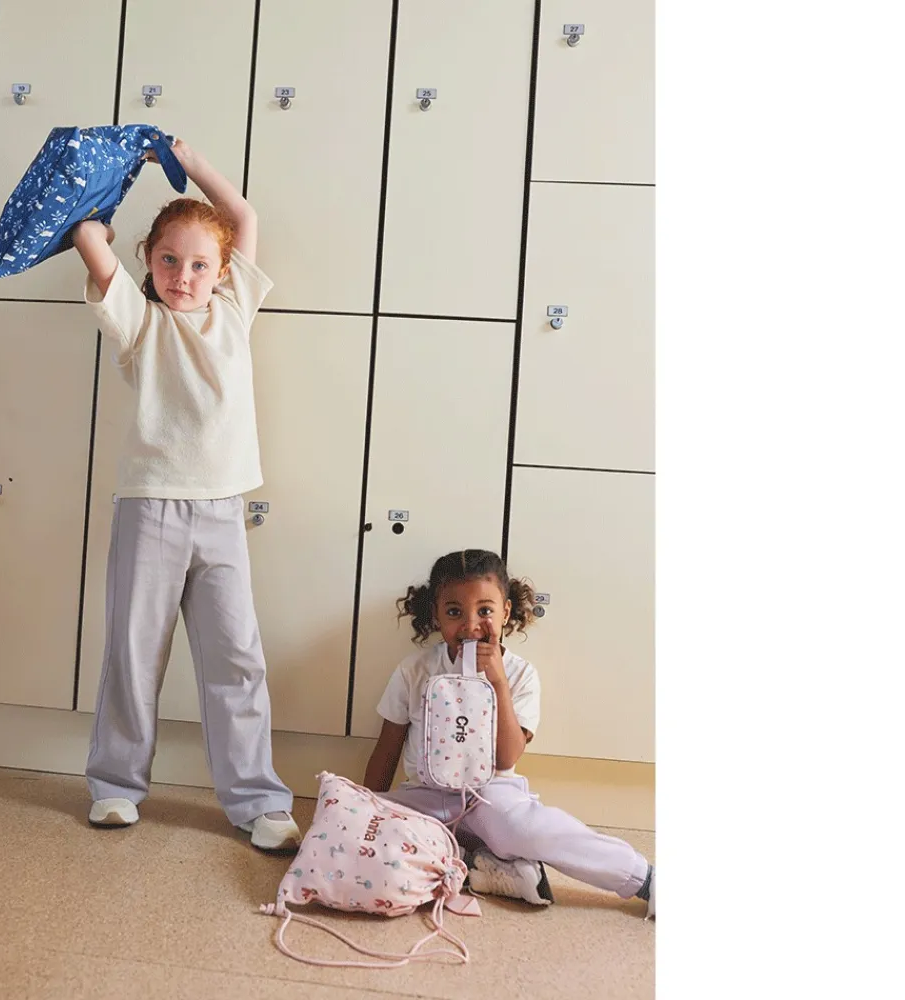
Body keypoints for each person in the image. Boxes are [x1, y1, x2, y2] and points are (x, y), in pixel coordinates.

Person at [72, 138, 299, 851]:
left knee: (237, 658)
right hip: (151, 509)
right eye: (168, 260)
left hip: (223, 510)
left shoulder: (234, 309)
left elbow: (242, 214)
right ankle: (115, 786)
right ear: (147, 261)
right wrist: (99, 205)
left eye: (200, 264)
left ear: (223, 271)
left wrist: (183, 160)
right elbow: (89, 242)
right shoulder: (139, 322)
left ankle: (257, 800)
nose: (183, 276)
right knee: (133, 652)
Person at [362, 549, 654, 917]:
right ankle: (486, 865)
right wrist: (363, 810)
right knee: (375, 836)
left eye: (485, 611)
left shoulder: (519, 674)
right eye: (454, 612)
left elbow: (508, 757)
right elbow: (387, 748)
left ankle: (644, 879)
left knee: (533, 831)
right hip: (426, 797)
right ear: (436, 615)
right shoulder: (414, 670)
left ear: (505, 612)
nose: (470, 626)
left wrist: (497, 682)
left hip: (491, 797)